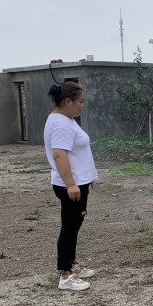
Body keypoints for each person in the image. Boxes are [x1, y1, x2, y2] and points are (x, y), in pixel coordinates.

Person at [44, 82, 98, 291]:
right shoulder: (61, 124)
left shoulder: (64, 119)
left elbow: (76, 153)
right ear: (68, 101)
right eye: (80, 102)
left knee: (74, 225)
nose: (82, 105)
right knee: (69, 227)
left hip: (77, 182)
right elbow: (59, 155)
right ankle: (65, 275)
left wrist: (87, 176)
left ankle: (71, 265)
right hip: (70, 185)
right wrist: (71, 184)